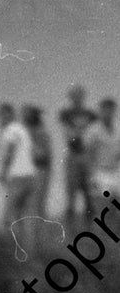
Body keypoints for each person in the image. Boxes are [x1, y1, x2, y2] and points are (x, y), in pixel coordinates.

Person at [0, 102, 38, 235]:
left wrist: (3, 172)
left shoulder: (10, 130)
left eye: (2, 116)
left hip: (17, 177)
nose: (1, 120)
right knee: (24, 217)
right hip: (31, 176)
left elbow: (10, 150)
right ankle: (28, 250)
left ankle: (8, 249)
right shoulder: (22, 129)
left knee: (8, 217)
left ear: (9, 115)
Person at [58, 84, 95, 223]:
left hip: (86, 155)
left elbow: (91, 134)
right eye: (75, 95)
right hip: (73, 154)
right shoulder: (66, 114)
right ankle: (70, 229)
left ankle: (89, 227)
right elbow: (68, 134)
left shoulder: (90, 114)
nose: (77, 98)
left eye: (79, 95)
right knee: (71, 193)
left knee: (89, 194)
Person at [87, 98, 120, 207]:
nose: (108, 113)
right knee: (103, 208)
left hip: (116, 171)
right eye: (105, 110)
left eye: (110, 110)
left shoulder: (118, 127)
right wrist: (91, 175)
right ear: (100, 111)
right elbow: (89, 153)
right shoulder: (93, 129)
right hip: (100, 172)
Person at [22, 104, 52, 221]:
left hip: (39, 170)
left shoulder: (40, 132)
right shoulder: (27, 131)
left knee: (37, 204)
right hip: (32, 171)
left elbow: (43, 155)